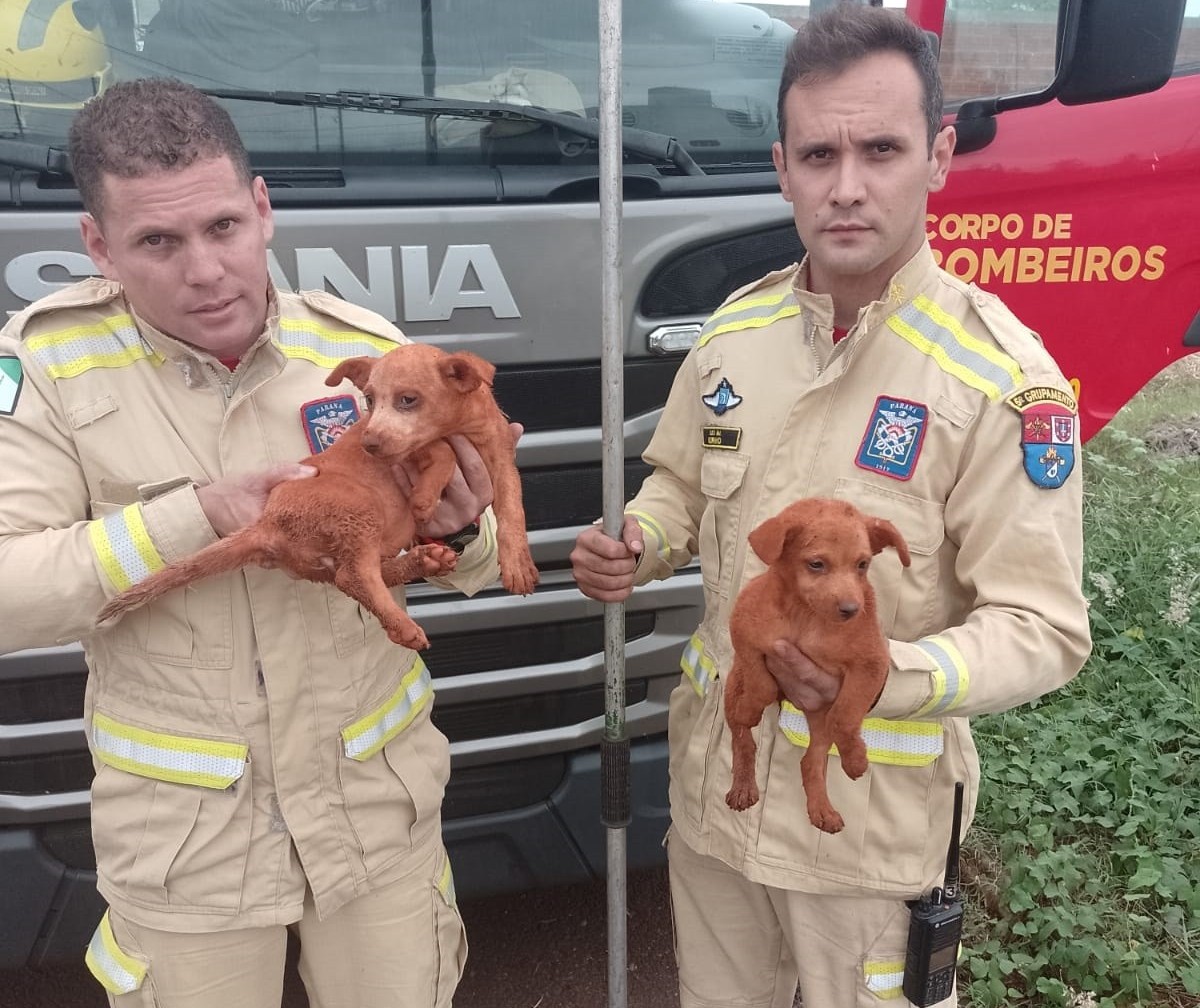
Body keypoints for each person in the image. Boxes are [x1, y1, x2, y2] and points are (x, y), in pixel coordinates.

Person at [570, 6, 1090, 1007]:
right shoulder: (735, 334)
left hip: (868, 829)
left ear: (939, 156)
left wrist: (882, 673)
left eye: (881, 149)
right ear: (782, 165)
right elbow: (680, 479)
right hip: (720, 806)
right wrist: (643, 537)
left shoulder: (1000, 381)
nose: (846, 186)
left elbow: (1043, 628)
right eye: (819, 153)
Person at [0, 78, 501, 1008]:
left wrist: (461, 529)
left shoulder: (362, 354)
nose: (205, 270)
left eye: (224, 227)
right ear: (97, 245)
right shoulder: (42, 368)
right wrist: (192, 515)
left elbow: (469, 569)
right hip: (189, 844)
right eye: (158, 241)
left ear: (263, 209)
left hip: (372, 813)